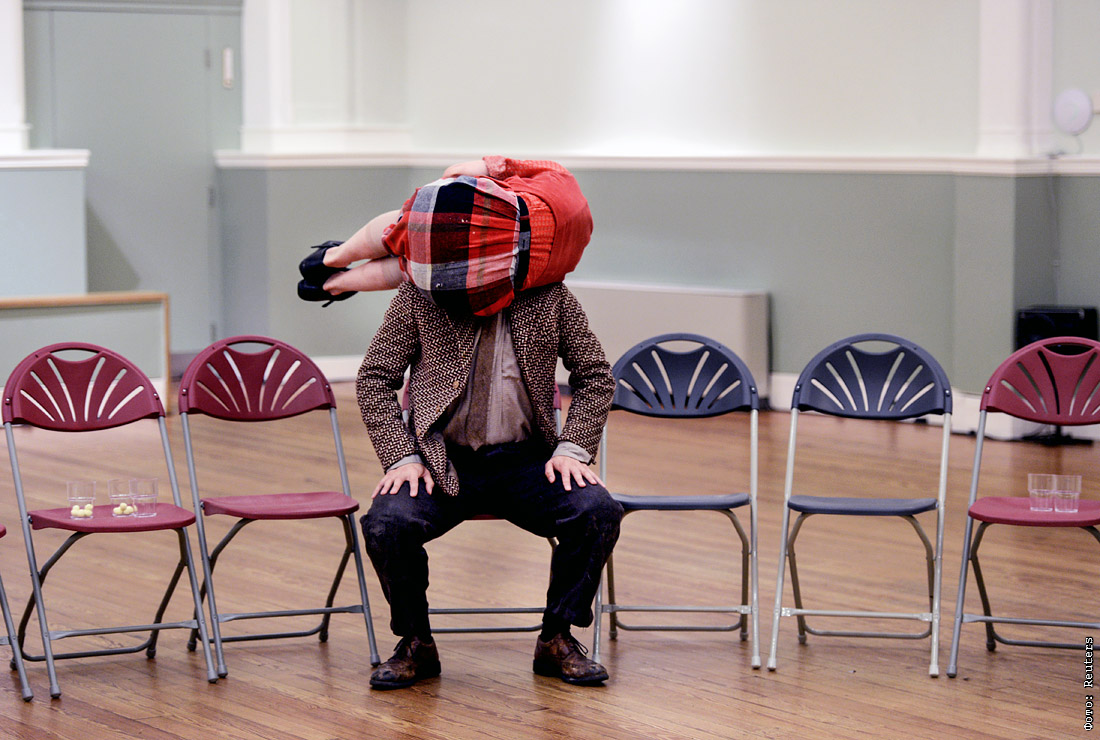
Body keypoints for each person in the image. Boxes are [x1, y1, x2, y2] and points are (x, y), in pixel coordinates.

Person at [356, 277, 622, 689]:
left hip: (528, 460)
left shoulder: (549, 294)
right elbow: (374, 377)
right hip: (441, 460)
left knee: (597, 511)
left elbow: (596, 376)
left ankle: (556, 637)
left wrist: (572, 449)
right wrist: (401, 457)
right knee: (387, 523)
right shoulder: (419, 295)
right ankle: (416, 642)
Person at [297, 156, 593, 315]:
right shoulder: (566, 265)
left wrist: (430, 202)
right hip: (478, 284)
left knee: (400, 225)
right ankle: (336, 285)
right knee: (408, 270)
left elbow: (457, 171)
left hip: (468, 214)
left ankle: (333, 256)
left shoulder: (559, 176)